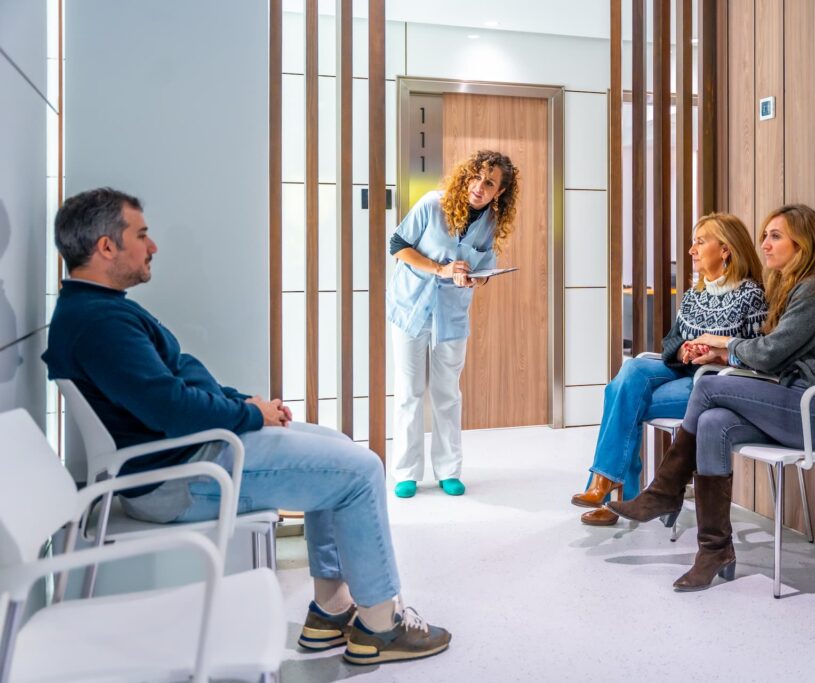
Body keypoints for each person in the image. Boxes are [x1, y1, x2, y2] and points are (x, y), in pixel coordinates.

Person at [42, 188, 451, 665]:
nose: (153, 247)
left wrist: (246, 404)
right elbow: (172, 409)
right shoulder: (100, 324)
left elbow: (176, 388)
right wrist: (252, 414)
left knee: (340, 448)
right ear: (106, 247)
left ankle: (330, 613)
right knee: (359, 471)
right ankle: (381, 625)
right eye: (142, 234)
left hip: (194, 451)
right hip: (183, 475)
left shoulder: (98, 309)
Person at [606, 203, 815, 592]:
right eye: (764, 235)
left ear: (803, 242)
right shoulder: (790, 286)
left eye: (775, 236)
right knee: (712, 422)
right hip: (793, 399)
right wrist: (721, 355)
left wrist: (719, 343)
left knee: (707, 385)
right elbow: (768, 351)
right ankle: (715, 550)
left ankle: (665, 490)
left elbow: (770, 352)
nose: (764, 243)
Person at [570, 213, 767, 526]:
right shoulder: (694, 294)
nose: (691, 250)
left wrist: (716, 354)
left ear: (726, 249)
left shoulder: (750, 295)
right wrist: (685, 349)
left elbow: (759, 355)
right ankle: (614, 488)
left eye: (700, 242)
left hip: (714, 386)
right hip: (683, 372)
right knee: (631, 370)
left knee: (621, 398)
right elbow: (669, 343)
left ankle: (609, 487)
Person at [386, 150, 520, 499]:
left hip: (452, 315)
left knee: (447, 394)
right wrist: (440, 269)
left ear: (499, 192)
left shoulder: (490, 222)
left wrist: (476, 279)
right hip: (411, 307)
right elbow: (397, 245)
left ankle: (448, 470)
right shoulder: (433, 204)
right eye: (476, 177)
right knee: (409, 393)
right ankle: (406, 472)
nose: (479, 186)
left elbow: (483, 265)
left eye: (489, 183)